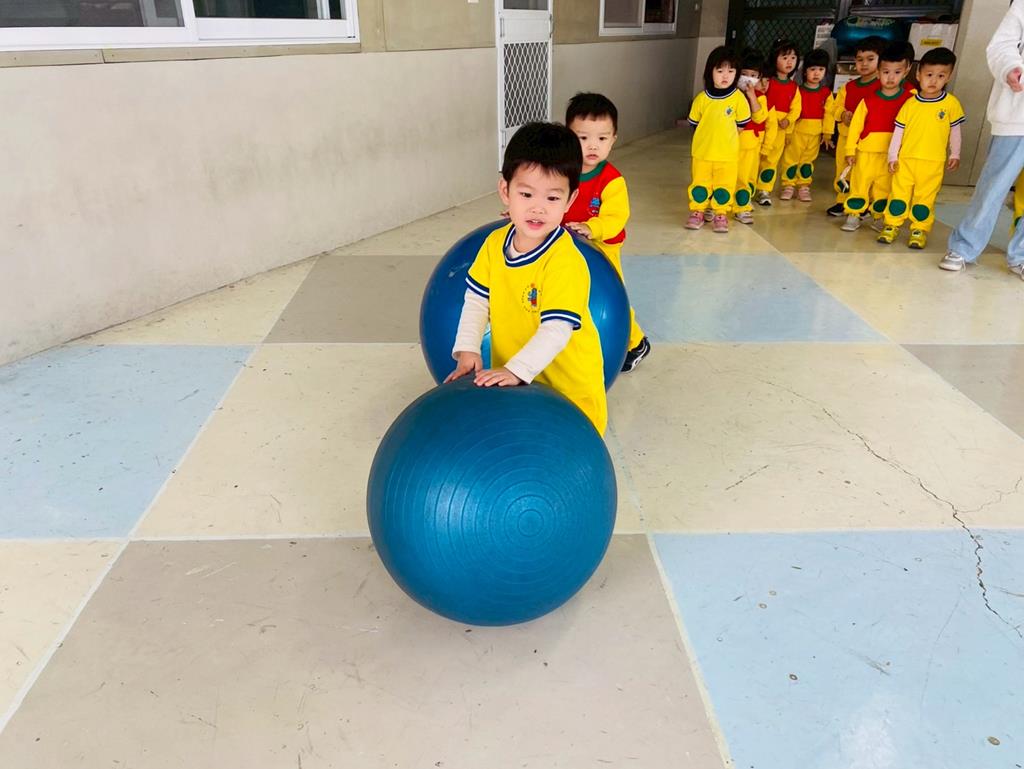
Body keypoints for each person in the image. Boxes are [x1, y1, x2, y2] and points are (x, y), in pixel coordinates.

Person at [446, 122, 608, 434]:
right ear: (505, 191)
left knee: (562, 457)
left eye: (552, 198)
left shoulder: (565, 261)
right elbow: (477, 300)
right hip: (520, 386)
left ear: (570, 200)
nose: (538, 208)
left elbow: (557, 329)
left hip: (569, 394)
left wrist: (516, 370)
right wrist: (468, 349)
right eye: (526, 194)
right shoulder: (494, 244)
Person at [562, 92, 651, 372]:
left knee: (611, 296)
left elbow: (616, 218)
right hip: (565, 246)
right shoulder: (562, 172)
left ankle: (635, 341)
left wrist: (593, 227)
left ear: (613, 139)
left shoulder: (612, 181)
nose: (592, 146)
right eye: (582, 137)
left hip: (603, 249)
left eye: (602, 138)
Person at [941, 0, 1024, 279]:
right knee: (993, 187)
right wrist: (1010, 67)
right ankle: (964, 247)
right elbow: (1001, 45)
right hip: (1017, 116)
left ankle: (1021, 255)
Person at [879, 47, 965, 249]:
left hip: (933, 162)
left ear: (949, 76)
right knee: (898, 194)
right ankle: (891, 224)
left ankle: (919, 229)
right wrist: (892, 156)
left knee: (925, 197)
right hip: (906, 160)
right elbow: (898, 132)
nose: (933, 81)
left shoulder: (951, 104)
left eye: (941, 76)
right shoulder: (910, 104)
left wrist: (955, 153)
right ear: (918, 75)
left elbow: (955, 131)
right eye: (929, 75)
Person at [840, 42, 915, 233]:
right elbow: (855, 127)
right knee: (860, 183)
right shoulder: (868, 100)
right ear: (878, 73)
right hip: (865, 152)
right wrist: (850, 150)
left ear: (905, 72)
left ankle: (879, 216)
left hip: (891, 154)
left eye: (897, 72)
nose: (891, 77)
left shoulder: (909, 100)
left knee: (884, 187)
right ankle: (853, 214)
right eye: (886, 72)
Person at [686, 45, 752, 233]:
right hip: (702, 154)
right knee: (700, 184)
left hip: (727, 155)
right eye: (720, 71)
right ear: (710, 72)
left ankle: (720, 214)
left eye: (731, 71)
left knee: (724, 186)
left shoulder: (738, 98)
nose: (725, 76)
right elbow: (695, 123)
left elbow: (741, 125)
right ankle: (698, 211)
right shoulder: (701, 99)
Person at [827, 36, 886, 216]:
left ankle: (865, 203)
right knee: (843, 169)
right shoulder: (849, 87)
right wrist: (842, 114)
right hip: (846, 138)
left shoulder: (883, 87)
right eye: (860, 60)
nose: (864, 64)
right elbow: (834, 107)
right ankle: (842, 200)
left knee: (865, 173)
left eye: (870, 59)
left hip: (868, 142)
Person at [778, 47, 836, 202]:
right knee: (790, 159)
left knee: (808, 161)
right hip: (797, 132)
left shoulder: (826, 93)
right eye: (812, 69)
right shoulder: (797, 90)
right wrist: (788, 132)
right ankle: (788, 185)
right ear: (805, 72)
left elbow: (829, 114)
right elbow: (793, 112)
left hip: (815, 134)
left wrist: (827, 133)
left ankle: (803, 186)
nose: (816, 73)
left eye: (821, 70)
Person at [754, 38, 801, 206]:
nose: (789, 62)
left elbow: (796, 108)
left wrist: (788, 121)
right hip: (763, 127)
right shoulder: (767, 81)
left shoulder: (794, 86)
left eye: (793, 58)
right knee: (755, 159)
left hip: (780, 132)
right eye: (784, 57)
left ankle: (764, 189)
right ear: (775, 58)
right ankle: (747, 188)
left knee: (771, 161)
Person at [734, 50, 776, 225]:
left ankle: (742, 206)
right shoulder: (731, 94)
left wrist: (752, 97)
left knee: (746, 177)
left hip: (751, 144)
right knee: (726, 174)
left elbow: (760, 118)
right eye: (744, 74)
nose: (748, 79)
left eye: (753, 76)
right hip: (730, 142)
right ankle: (717, 205)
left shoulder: (761, 98)